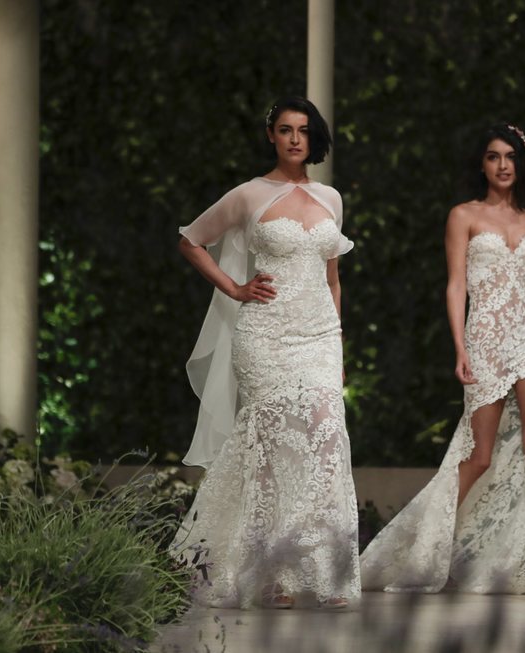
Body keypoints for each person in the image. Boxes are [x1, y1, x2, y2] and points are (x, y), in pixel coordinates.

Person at [170, 96, 360, 610]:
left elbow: (332, 278)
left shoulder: (331, 198)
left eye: (302, 130)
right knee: (272, 452)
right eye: (284, 129)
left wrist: (336, 340)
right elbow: (191, 240)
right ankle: (273, 574)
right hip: (264, 335)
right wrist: (233, 288)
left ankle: (317, 567)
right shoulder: (249, 195)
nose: (295, 138)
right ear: (270, 136)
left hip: (318, 335)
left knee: (325, 437)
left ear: (312, 136)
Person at [360, 123, 525, 600]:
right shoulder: (463, 216)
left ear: (521, 163)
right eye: (493, 157)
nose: (503, 165)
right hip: (485, 338)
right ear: (482, 164)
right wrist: (461, 348)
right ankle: (428, 546)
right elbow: (455, 286)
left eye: (510, 156)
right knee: (481, 454)